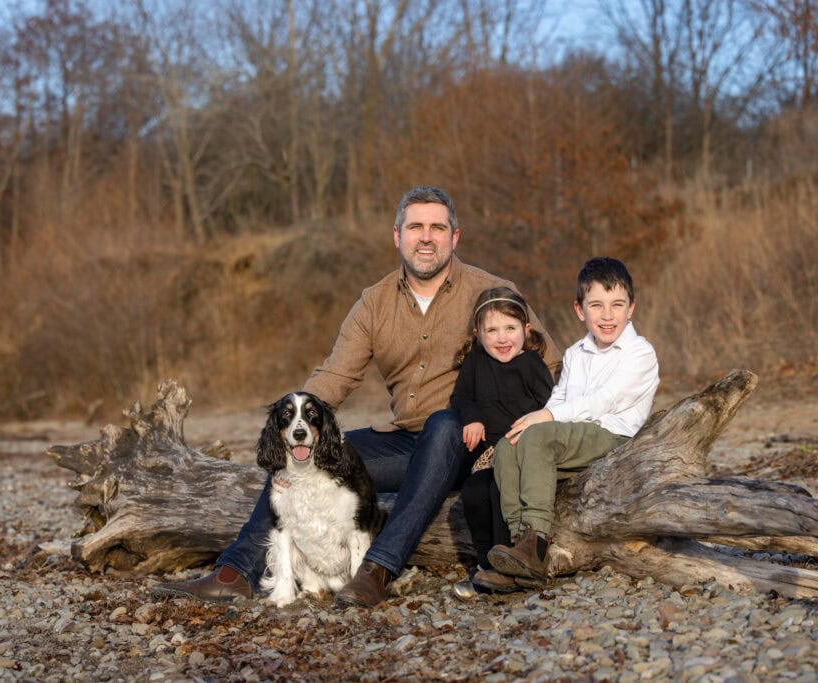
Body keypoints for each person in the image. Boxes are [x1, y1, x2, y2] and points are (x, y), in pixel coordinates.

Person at [154, 185, 561, 609]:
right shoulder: (374, 302)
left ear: (455, 237)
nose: (426, 237)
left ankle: (377, 569)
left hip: (472, 444)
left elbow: (550, 367)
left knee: (444, 423)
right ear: (396, 235)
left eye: (438, 227)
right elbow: (336, 375)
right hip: (405, 442)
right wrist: (295, 427)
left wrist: (524, 436)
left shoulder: (493, 293)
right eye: (415, 227)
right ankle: (235, 571)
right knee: (304, 453)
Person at [486, 257, 659, 584]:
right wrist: (540, 419)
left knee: (537, 437)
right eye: (596, 305)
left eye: (617, 305)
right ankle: (520, 551)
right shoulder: (576, 353)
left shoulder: (640, 352)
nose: (607, 315)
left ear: (631, 308)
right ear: (580, 310)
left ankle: (535, 541)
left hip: (614, 437)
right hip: (573, 436)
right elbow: (561, 399)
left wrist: (547, 418)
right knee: (509, 446)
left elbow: (606, 400)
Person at [448, 287, 555, 598]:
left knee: (499, 493)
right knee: (474, 492)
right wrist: (472, 418)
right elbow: (461, 397)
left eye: (510, 328)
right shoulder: (476, 362)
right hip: (490, 453)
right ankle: (484, 565)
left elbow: (550, 406)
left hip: (522, 451)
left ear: (526, 330)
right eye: (491, 330)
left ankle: (507, 564)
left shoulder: (532, 365)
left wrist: (535, 427)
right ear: (478, 334)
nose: (502, 338)